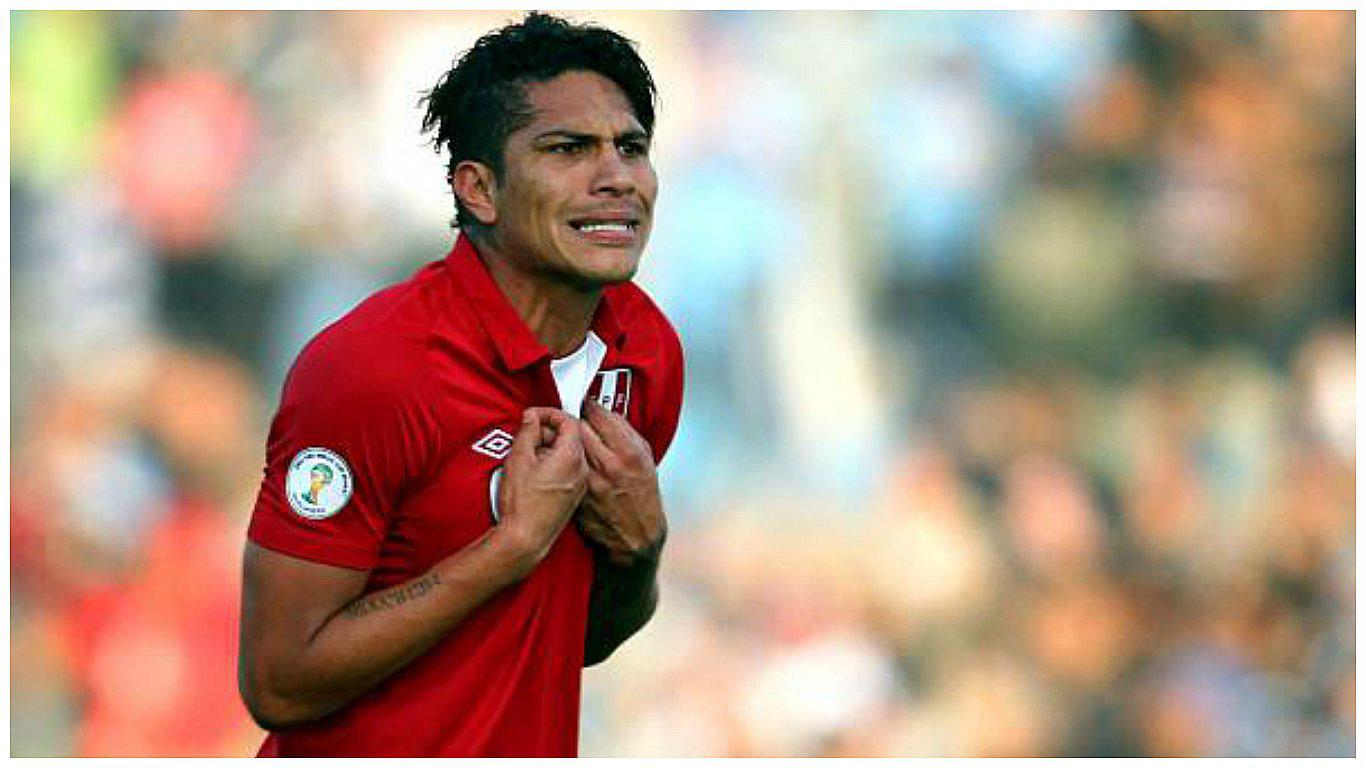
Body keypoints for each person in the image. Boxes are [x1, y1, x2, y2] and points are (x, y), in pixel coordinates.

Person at [237, 12, 683, 757]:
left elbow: (572, 639)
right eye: (568, 149)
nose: (616, 178)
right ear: (479, 188)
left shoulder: (648, 355)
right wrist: (507, 550)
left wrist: (641, 551)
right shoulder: (372, 369)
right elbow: (277, 680)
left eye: (630, 148)